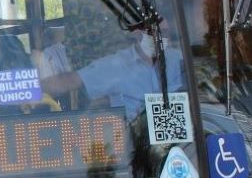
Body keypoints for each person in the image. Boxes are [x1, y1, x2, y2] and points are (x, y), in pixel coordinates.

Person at [42, 29, 184, 119]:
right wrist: (26, 89)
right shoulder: (115, 65)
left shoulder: (181, 61)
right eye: (155, 33)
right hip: (135, 145)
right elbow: (70, 81)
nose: (161, 39)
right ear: (138, 34)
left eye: (165, 34)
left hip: (183, 146)